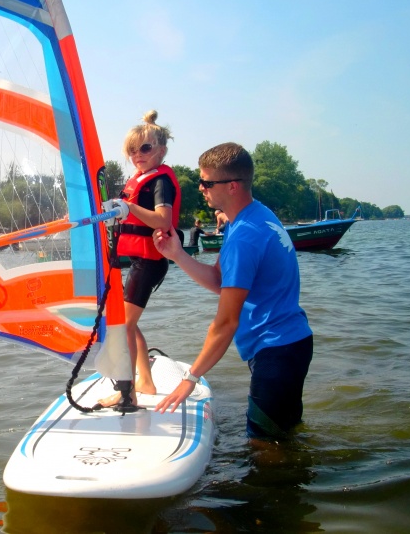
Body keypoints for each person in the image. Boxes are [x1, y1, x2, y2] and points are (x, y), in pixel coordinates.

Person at [153, 142, 313, 442]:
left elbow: (226, 323)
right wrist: (177, 254)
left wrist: (190, 378)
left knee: (264, 446)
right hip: (291, 344)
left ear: (233, 186)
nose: (201, 188)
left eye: (207, 182)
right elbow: (218, 279)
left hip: (277, 351)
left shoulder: (245, 238)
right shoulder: (253, 216)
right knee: (284, 435)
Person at [100, 110, 181, 408]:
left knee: (123, 325)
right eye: (132, 150)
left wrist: (128, 208)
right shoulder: (139, 179)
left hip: (149, 262)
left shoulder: (161, 181)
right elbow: (127, 212)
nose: (138, 155)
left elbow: (163, 220)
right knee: (127, 322)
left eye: (145, 148)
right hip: (136, 260)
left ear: (161, 150)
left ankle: (128, 393)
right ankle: (145, 381)